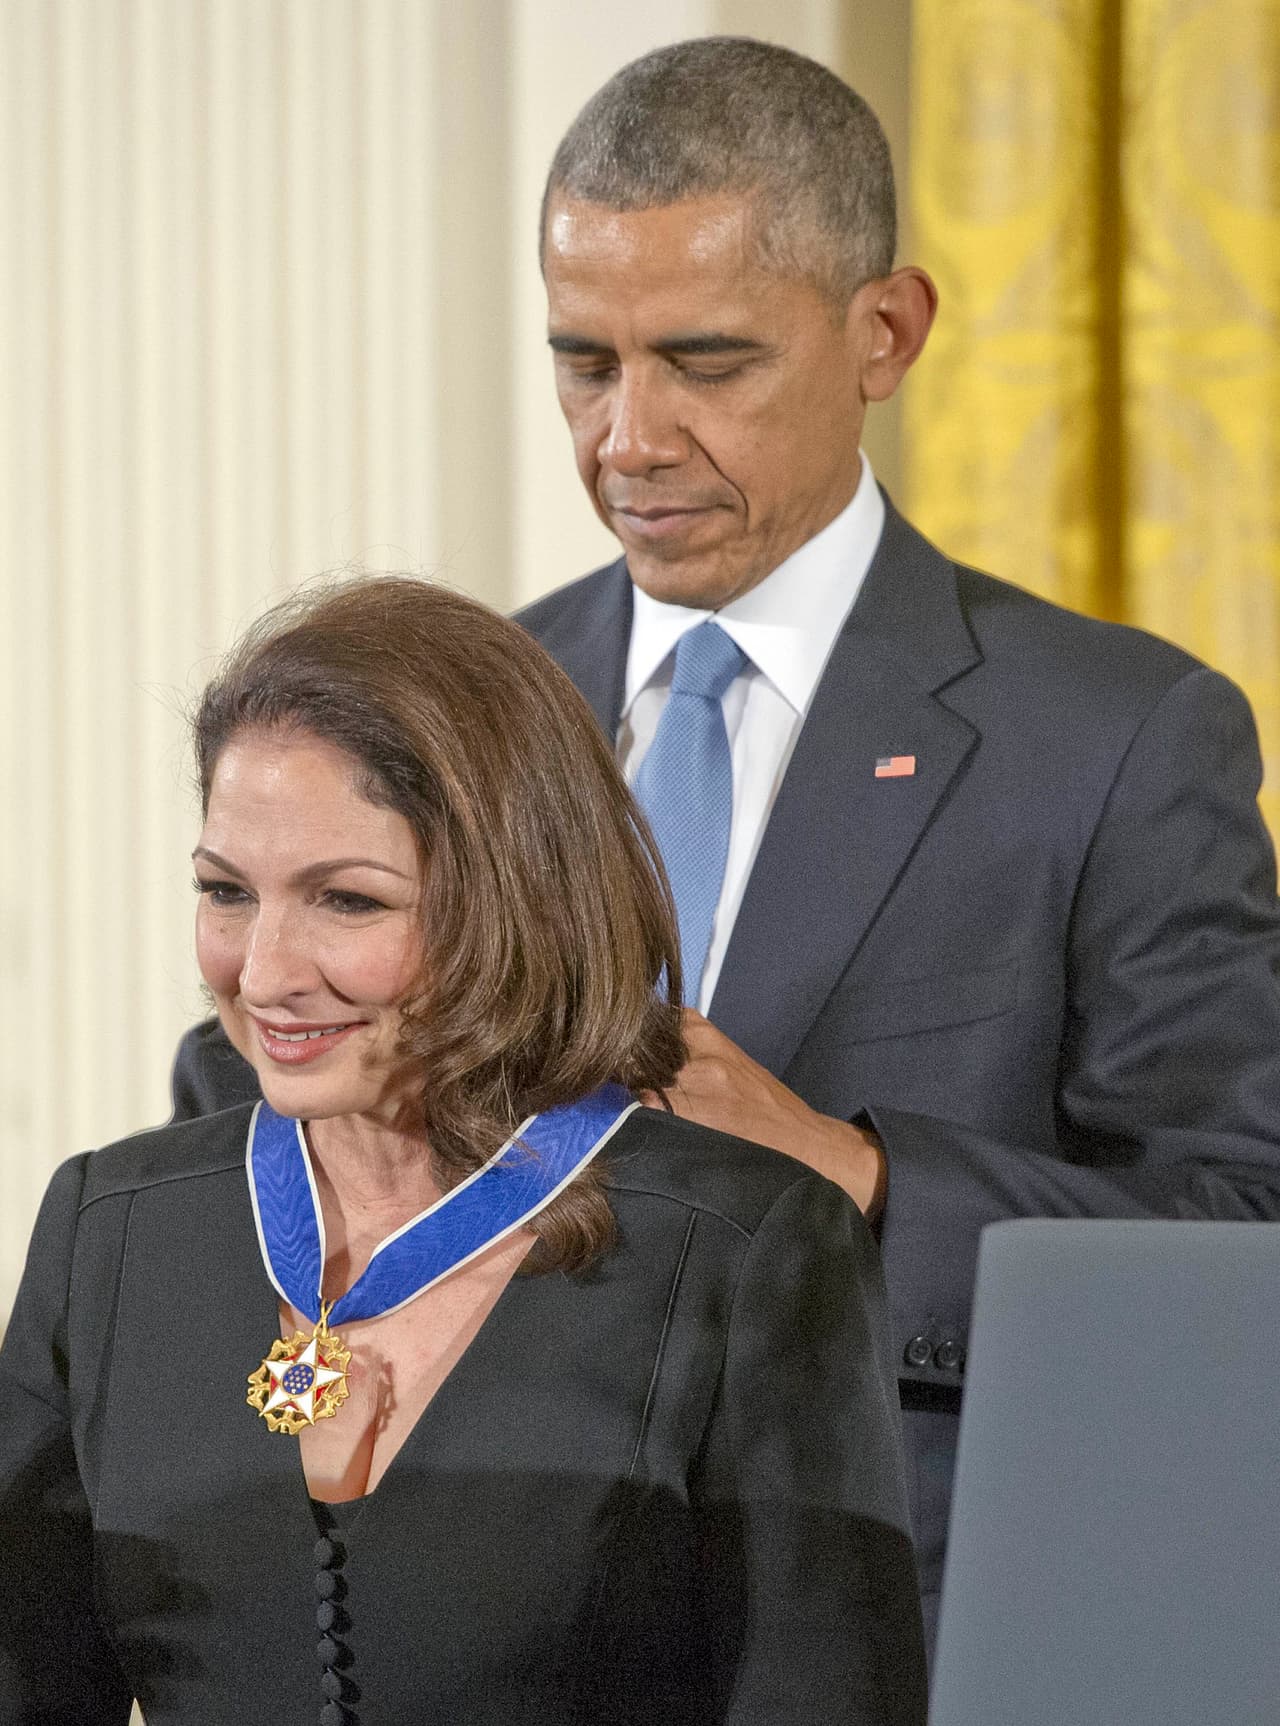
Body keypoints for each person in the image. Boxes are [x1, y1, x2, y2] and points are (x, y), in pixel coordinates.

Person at [169, 38, 1280, 1637]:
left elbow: (1241, 1239)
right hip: (472, 1628)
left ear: (883, 333)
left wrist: (850, 1172)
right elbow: (239, 1098)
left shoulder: (1116, 737)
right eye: (585, 362)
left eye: (706, 362)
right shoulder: (458, 704)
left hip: (913, 1628)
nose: (629, 437)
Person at [0, 576, 927, 1724]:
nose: (265, 969)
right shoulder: (109, 1226)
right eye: (226, 891)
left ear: (512, 899)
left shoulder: (750, 1248)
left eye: (346, 901)